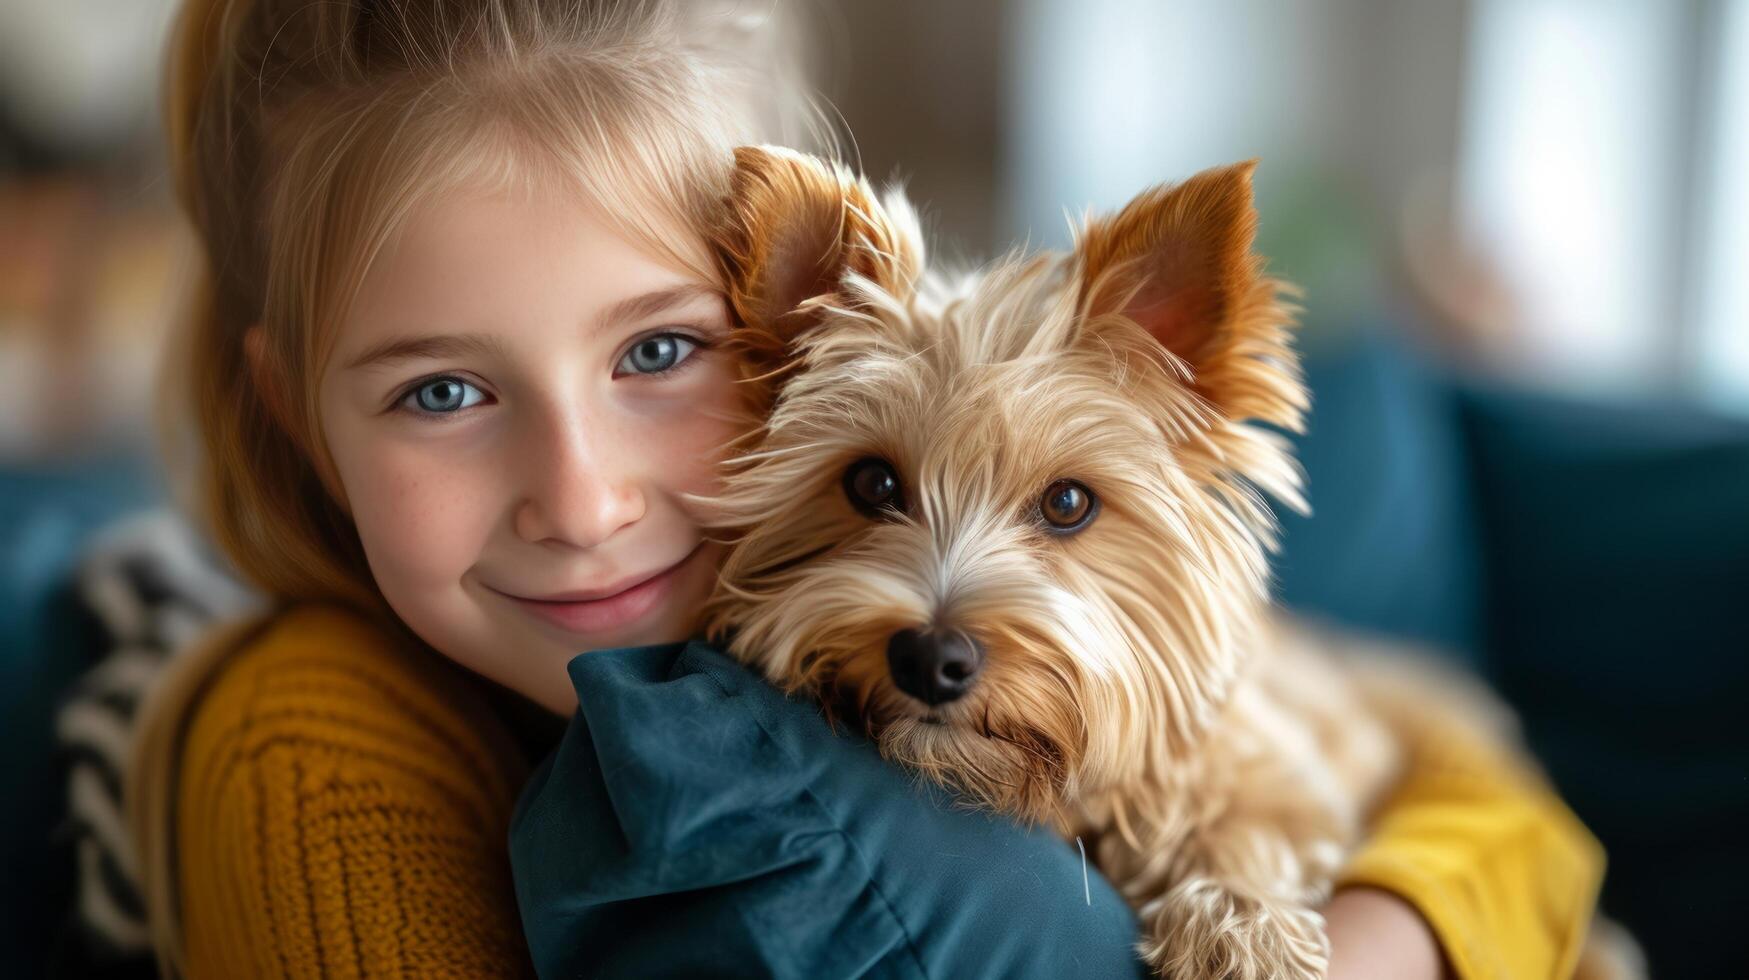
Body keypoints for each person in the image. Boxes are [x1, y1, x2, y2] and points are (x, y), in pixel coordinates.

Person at [124, 1, 1605, 977]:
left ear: (761, 339)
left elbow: (1511, 817)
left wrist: (1376, 933)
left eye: (657, 351)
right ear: (295, 414)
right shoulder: (311, 763)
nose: (578, 501)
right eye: (441, 391)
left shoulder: (756, 649)